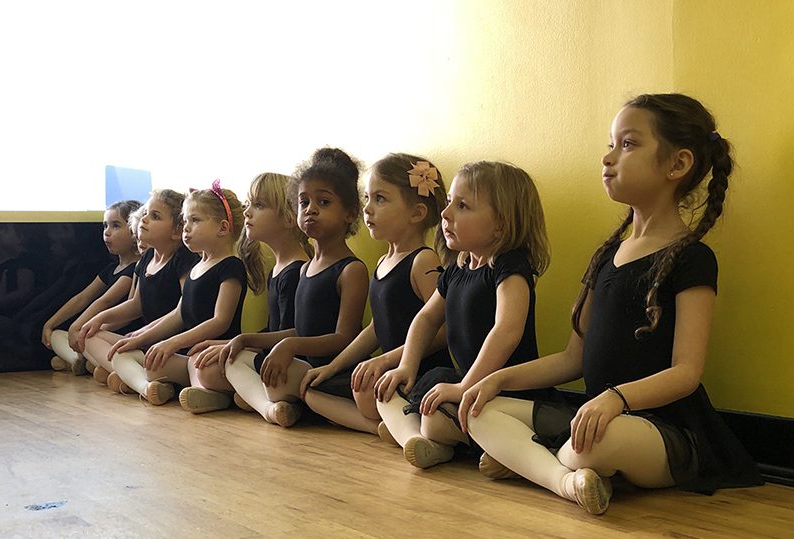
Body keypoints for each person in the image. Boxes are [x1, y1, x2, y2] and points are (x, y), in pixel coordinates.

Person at [459, 93, 763, 516]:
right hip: (596, 414)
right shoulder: (606, 256)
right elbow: (572, 359)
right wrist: (497, 379)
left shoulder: (693, 258)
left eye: (628, 144)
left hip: (662, 428)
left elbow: (686, 372)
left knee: (595, 443)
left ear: (677, 164)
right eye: (610, 144)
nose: (608, 157)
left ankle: (537, 465)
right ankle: (568, 479)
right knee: (479, 409)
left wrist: (616, 398)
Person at [375, 161, 553, 468]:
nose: (445, 214)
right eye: (448, 203)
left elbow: (507, 331)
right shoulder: (457, 268)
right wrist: (406, 366)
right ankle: (424, 439)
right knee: (387, 392)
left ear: (501, 224)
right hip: (466, 381)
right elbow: (426, 318)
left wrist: (464, 387)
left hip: (505, 390)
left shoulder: (510, 267)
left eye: (462, 206)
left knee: (440, 416)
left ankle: (432, 437)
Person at [299, 153, 453, 435]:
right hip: (389, 371)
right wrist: (332, 367)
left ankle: (403, 427)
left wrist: (385, 360)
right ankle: (382, 428)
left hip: (417, 372)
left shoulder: (423, 260)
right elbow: (376, 328)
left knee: (370, 391)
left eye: (380, 199)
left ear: (416, 213)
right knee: (312, 390)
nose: (368, 209)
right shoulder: (382, 262)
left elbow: (442, 330)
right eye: (367, 198)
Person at [223, 147, 368, 427]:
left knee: (299, 388)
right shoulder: (304, 269)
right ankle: (275, 406)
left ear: (350, 214)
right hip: (301, 368)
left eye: (324, 202)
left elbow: (345, 337)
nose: (310, 209)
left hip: (331, 372)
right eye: (303, 202)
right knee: (235, 359)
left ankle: (366, 424)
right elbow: (301, 329)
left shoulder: (352, 270)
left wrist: (290, 345)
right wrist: (246, 339)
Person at [105, 181, 251, 405]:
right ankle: (155, 386)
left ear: (222, 228)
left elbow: (220, 321)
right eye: (185, 220)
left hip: (213, 352)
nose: (186, 228)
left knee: (198, 366)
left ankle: (216, 396)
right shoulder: (195, 267)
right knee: (141, 360)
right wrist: (141, 339)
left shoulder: (231, 266)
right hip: (189, 352)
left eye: (195, 220)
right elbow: (179, 314)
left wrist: (173, 343)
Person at [180, 172, 312, 414]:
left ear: (289, 218)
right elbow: (273, 330)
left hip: (292, 364)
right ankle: (251, 397)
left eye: (258, 205)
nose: (247, 212)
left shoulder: (295, 271)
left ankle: (264, 404)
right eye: (248, 204)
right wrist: (230, 343)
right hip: (274, 359)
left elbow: (297, 333)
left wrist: (241, 342)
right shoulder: (278, 269)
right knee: (204, 361)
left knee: (214, 367)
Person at [80, 189, 199, 390]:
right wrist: (99, 319)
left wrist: (140, 337)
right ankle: (135, 377)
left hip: (172, 346)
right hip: (147, 341)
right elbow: (136, 305)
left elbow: (181, 314)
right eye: (145, 213)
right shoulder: (147, 258)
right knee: (91, 336)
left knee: (150, 363)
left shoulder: (183, 260)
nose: (144, 219)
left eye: (155, 216)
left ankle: (137, 381)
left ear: (177, 231)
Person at [42, 200, 141, 374]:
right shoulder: (111, 269)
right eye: (105, 226)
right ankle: (80, 361)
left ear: (134, 232)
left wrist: (78, 327)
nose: (107, 232)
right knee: (57, 334)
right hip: (98, 331)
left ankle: (84, 362)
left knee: (87, 337)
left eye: (116, 226)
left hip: (118, 334)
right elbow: (82, 297)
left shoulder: (133, 269)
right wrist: (50, 324)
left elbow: (105, 301)